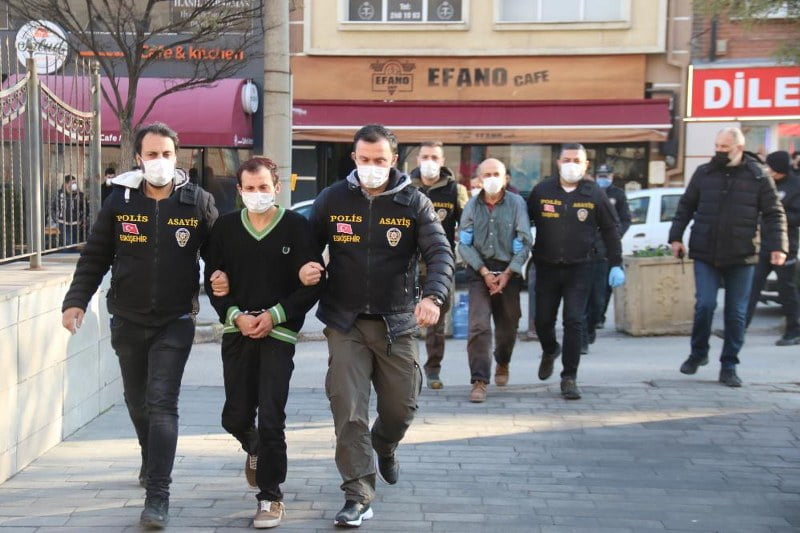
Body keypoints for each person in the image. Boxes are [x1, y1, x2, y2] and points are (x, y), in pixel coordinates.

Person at [60, 122, 219, 529]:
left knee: (162, 402)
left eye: (167, 154)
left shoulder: (197, 202)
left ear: (177, 157)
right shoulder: (120, 202)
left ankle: (158, 496)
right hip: (127, 319)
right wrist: (75, 301)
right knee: (137, 401)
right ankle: (150, 459)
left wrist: (231, 300)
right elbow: (95, 255)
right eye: (152, 154)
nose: (160, 162)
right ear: (138, 158)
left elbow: (222, 258)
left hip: (175, 320)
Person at [298, 124, 453, 528]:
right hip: (344, 321)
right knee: (348, 409)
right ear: (354, 158)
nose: (371, 167)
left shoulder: (414, 203)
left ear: (394, 161)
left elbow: (440, 252)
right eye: (364, 160)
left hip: (396, 322)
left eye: (380, 161)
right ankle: (358, 494)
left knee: (402, 407)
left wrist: (433, 297)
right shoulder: (332, 198)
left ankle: (384, 443)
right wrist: (306, 267)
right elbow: (305, 245)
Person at [204, 156, 323, 529]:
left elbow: (313, 282)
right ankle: (253, 447)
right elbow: (216, 282)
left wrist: (273, 315)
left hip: (278, 334)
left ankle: (270, 496)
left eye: (264, 187)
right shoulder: (224, 229)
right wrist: (235, 313)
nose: (257, 194)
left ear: (277, 187)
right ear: (239, 191)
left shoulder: (297, 228)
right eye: (249, 188)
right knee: (235, 416)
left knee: (272, 416)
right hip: (238, 330)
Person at [669, 127, 787, 388]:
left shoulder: (757, 176)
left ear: (739, 148)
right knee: (705, 305)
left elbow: (774, 213)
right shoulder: (704, 173)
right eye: (717, 146)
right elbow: (686, 206)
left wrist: (778, 246)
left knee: (736, 314)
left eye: (725, 147)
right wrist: (675, 237)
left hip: (742, 254)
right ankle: (698, 353)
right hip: (705, 251)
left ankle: (729, 364)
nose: (720, 151)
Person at [527, 144, 624, 400]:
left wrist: (616, 263)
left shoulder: (594, 194)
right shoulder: (542, 190)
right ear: (558, 162)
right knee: (543, 321)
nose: (571, 164)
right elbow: (524, 221)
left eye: (577, 160)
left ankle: (569, 377)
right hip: (546, 267)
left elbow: (611, 229)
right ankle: (550, 350)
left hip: (580, 267)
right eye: (567, 159)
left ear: (585, 165)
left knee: (574, 321)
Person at [458, 158, 531, 403]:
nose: (491, 178)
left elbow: (525, 242)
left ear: (505, 178)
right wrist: (485, 272)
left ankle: (503, 361)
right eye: (486, 174)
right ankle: (479, 380)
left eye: (496, 173)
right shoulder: (472, 205)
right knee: (479, 326)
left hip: (508, 272)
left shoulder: (517, 203)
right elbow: (463, 244)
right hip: (480, 273)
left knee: (508, 325)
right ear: (478, 179)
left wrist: (508, 272)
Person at [409, 141, 468, 389]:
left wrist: (465, 247)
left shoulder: (455, 190)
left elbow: (466, 224)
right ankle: (407, 370)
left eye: (434, 157)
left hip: (439, 264)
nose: (429, 161)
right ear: (418, 160)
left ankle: (433, 369)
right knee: (405, 319)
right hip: (408, 263)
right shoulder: (405, 187)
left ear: (442, 161)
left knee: (437, 322)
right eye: (425, 156)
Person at [745, 151, 800, 346]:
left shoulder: (795, 186)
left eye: (771, 167)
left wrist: (777, 216)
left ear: (780, 169)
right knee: (752, 286)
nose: (768, 170)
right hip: (766, 245)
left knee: (787, 290)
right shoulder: (769, 184)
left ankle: (794, 331)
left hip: (786, 246)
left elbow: (796, 217)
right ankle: (738, 328)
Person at [586, 164, 631, 345]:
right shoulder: (585, 196)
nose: (603, 177)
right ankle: (583, 336)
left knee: (600, 296)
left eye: (606, 174)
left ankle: (596, 320)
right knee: (581, 297)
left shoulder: (617, 195)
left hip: (605, 251)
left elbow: (624, 220)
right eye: (600, 174)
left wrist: (615, 236)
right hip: (583, 252)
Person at [49, 174, 87, 247]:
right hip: (63, 224)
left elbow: (86, 209)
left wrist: (82, 220)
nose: (74, 185)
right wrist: (56, 220)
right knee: (67, 243)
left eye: (75, 183)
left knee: (76, 244)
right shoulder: (59, 194)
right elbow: (52, 207)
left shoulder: (80, 195)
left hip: (76, 224)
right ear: (66, 184)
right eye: (72, 183)